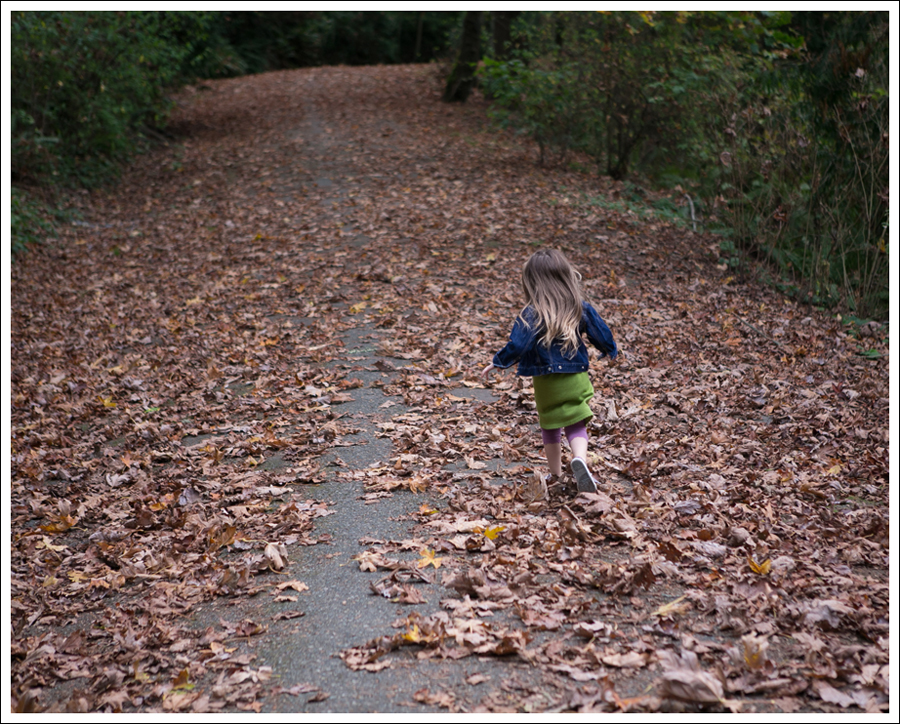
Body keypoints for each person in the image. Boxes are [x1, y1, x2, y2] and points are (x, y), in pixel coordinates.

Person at [481, 248, 618, 494]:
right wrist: (609, 349)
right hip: (575, 378)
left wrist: (499, 361)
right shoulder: (579, 306)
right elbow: (600, 331)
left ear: (532, 281)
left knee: (550, 425)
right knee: (576, 422)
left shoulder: (531, 313)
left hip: (546, 383)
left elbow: (519, 345)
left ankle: (555, 475)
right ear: (565, 275)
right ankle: (579, 460)